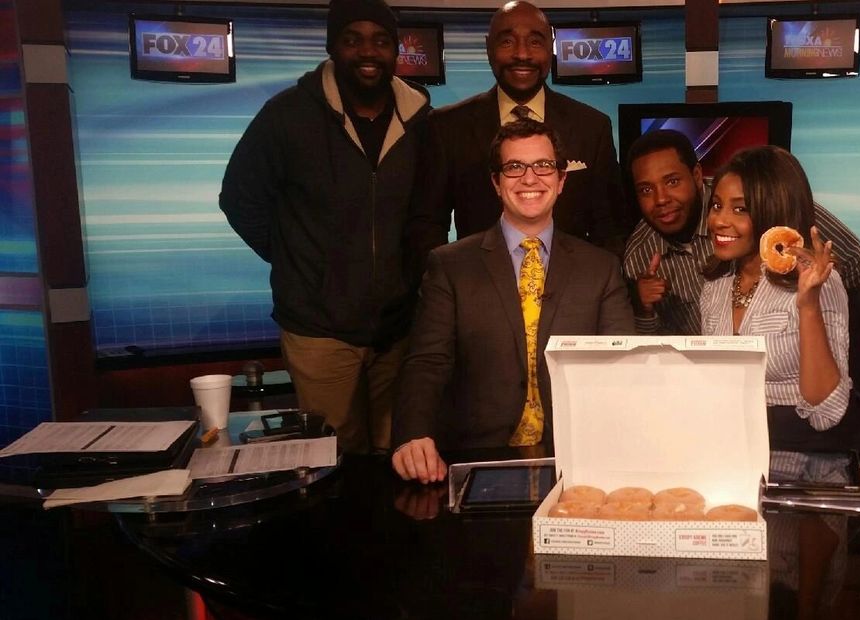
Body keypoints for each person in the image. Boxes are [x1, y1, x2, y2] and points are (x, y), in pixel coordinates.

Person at [219, 0, 430, 454]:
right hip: (319, 330)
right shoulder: (288, 114)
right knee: (333, 458)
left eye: (380, 40)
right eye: (353, 39)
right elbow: (238, 198)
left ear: (396, 50)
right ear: (332, 45)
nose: (367, 51)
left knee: (401, 452)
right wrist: (300, 262)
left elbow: (424, 214)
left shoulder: (420, 120)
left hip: (398, 327)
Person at [391, 120, 635, 483]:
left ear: (562, 179)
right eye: (514, 167)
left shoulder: (601, 267)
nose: (530, 178)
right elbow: (427, 362)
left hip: (574, 455)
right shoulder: (450, 264)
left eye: (543, 166)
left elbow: (621, 366)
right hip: (478, 456)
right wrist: (412, 435)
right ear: (496, 182)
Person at [415, 0, 626, 256]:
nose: (522, 54)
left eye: (535, 42)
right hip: (477, 289)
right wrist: (447, 286)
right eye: (507, 42)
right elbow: (426, 226)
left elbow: (610, 228)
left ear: (551, 48)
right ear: (488, 48)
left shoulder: (593, 127)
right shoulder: (446, 127)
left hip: (572, 291)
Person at [622, 129, 860, 335]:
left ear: (697, 175)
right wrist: (643, 309)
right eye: (645, 190)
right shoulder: (640, 256)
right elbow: (651, 351)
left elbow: (857, 263)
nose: (661, 199)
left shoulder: (768, 199)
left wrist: (828, 318)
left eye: (672, 182)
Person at [699, 146, 855, 450]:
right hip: (730, 441)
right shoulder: (713, 288)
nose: (719, 220)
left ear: (774, 211)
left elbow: (827, 408)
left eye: (740, 209)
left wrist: (808, 305)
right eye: (716, 205)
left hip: (802, 446)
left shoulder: (818, 281)